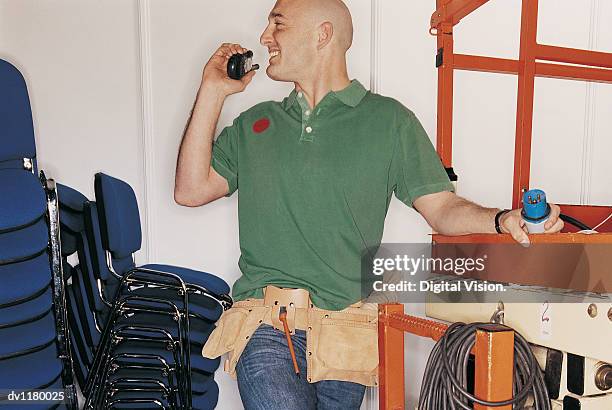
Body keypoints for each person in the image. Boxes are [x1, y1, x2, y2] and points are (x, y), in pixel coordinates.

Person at [174, 0, 564, 408]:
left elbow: (442, 208)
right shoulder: (255, 125)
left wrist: (501, 219)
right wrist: (212, 90)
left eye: (278, 25)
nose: (264, 37)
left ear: (322, 34)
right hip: (269, 324)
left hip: (347, 332)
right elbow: (190, 189)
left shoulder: (390, 122)